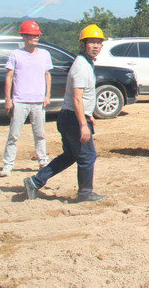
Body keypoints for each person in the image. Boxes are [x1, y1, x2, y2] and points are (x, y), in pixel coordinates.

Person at [23, 24, 108, 202]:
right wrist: (83, 124)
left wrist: (89, 116)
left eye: (98, 42)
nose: (96, 46)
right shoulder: (81, 66)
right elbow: (77, 99)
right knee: (87, 156)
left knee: (70, 155)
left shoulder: (86, 63)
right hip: (73, 119)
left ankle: (35, 181)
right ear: (83, 44)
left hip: (70, 117)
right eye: (92, 42)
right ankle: (85, 193)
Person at [0, 20, 53, 177]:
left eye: (37, 35)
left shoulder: (44, 54)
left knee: (40, 134)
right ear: (24, 36)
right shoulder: (16, 54)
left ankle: (43, 161)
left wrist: (47, 95)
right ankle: (8, 164)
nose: (35, 38)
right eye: (32, 35)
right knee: (14, 135)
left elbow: (47, 75)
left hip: (38, 101)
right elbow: (9, 77)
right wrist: (8, 99)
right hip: (20, 100)